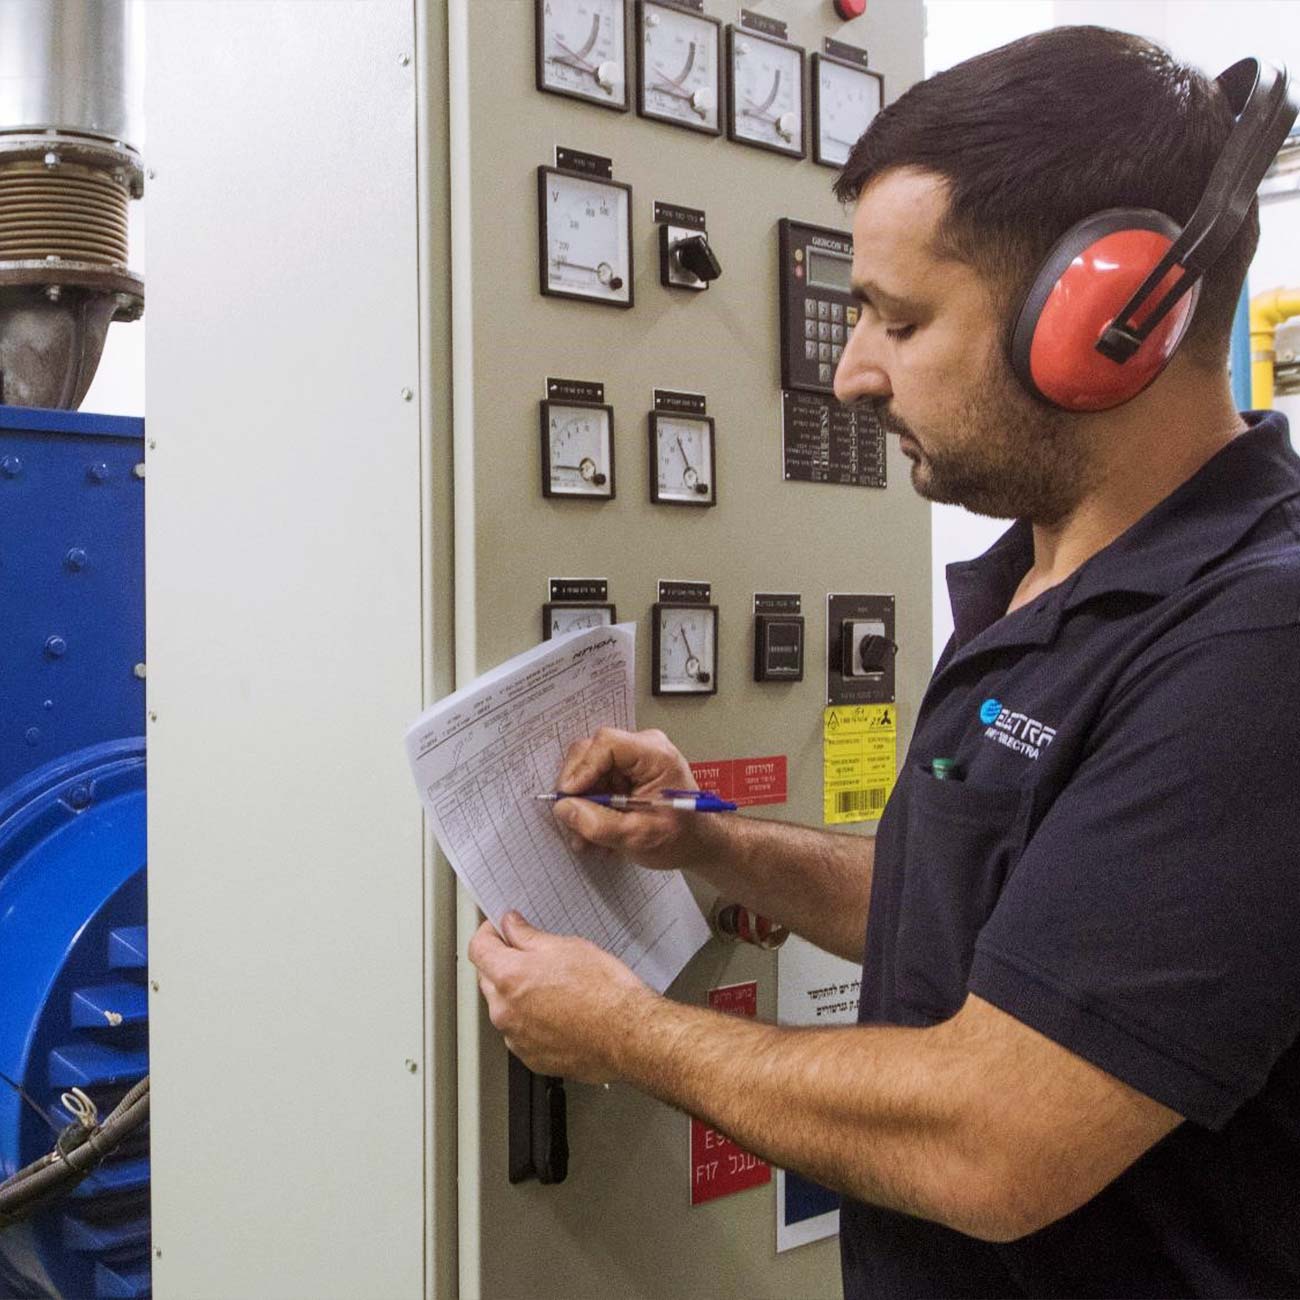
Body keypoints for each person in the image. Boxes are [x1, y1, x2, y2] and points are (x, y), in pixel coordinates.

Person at [470, 26, 1300, 1297]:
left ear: (1103, 322)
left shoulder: (1253, 646)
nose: (851, 373)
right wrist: (710, 841)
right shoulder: (1045, 582)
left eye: (897, 319)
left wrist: (624, 1032)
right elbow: (1010, 919)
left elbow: (996, 1136)